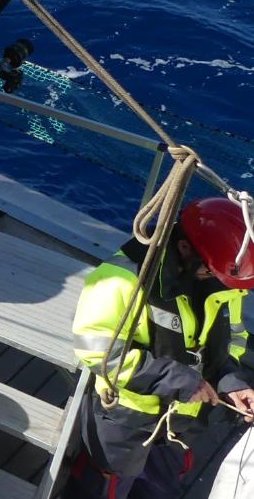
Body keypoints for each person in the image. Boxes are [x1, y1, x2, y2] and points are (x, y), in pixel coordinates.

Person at [67, 196, 254, 498]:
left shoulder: (221, 283)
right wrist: (177, 380)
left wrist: (230, 383)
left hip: (180, 426)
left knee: (158, 489)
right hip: (126, 422)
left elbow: (231, 342)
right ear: (183, 248)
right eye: (210, 272)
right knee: (103, 488)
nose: (217, 282)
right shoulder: (124, 278)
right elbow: (98, 352)